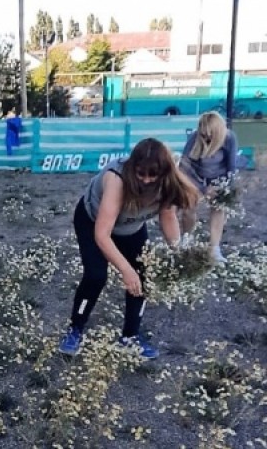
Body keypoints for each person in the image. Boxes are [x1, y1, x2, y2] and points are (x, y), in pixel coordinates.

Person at [58, 138, 200, 359]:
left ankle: (130, 337)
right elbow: (102, 235)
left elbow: (168, 215)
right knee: (96, 276)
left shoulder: (168, 184)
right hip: (93, 221)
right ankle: (75, 329)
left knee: (144, 276)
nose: (145, 180)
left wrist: (178, 251)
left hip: (131, 228)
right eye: (141, 173)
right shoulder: (117, 179)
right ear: (133, 166)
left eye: (152, 175)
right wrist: (126, 270)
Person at [178, 111, 238, 263]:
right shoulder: (194, 138)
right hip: (195, 176)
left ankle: (214, 249)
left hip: (219, 178)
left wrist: (224, 188)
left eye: (209, 135)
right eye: (203, 134)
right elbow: (183, 167)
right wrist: (202, 189)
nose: (205, 138)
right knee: (188, 207)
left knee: (219, 209)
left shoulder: (229, 139)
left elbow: (231, 167)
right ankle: (186, 243)